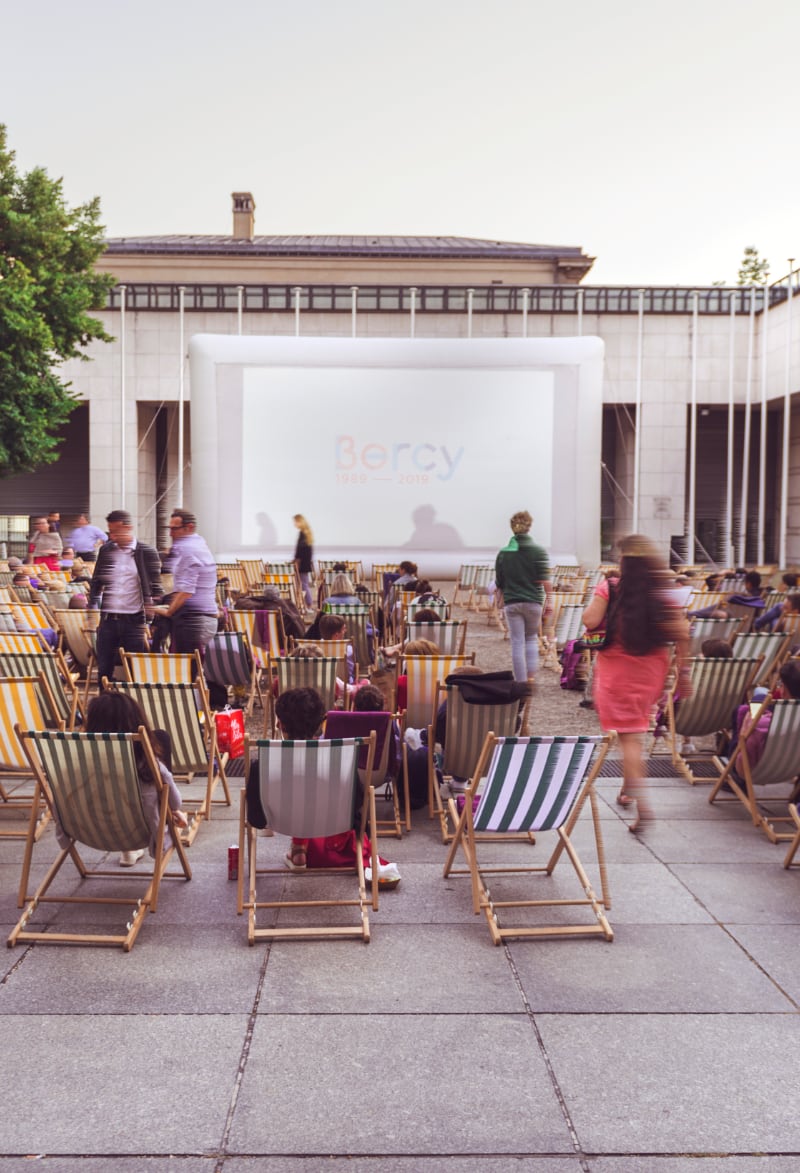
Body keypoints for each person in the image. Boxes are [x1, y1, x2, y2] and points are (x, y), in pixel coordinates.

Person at [583, 533, 690, 833]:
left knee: (628, 737)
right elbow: (682, 633)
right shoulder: (661, 590)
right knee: (635, 730)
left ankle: (643, 807)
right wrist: (683, 674)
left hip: (618, 671)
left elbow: (590, 621)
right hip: (651, 671)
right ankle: (628, 789)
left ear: (624, 561)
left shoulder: (611, 587)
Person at [246, 687, 400, 881]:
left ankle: (298, 847)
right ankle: (300, 847)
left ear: (281, 725)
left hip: (281, 824)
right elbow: (357, 807)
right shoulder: (340, 763)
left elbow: (256, 819)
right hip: (332, 824)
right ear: (320, 724)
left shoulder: (262, 766)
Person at [84, 690, 187, 866]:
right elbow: (176, 802)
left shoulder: (79, 764)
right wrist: (172, 811)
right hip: (140, 831)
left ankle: (128, 852)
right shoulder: (149, 765)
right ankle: (132, 846)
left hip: (91, 830)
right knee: (161, 737)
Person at [89, 509, 164, 688]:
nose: (113, 537)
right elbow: (96, 581)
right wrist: (92, 608)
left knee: (135, 670)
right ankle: (103, 708)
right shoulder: (106, 551)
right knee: (104, 670)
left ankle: (133, 709)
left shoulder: (146, 553)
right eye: (110, 533)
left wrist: (152, 622)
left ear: (128, 528)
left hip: (134, 621)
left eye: (116, 532)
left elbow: (156, 590)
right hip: (108, 620)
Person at [149, 509, 219, 660]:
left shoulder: (187, 549)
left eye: (175, 529)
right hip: (203, 618)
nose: (170, 534)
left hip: (194, 620)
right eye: (170, 528)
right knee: (194, 672)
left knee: (188, 672)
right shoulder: (199, 543)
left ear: (189, 527)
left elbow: (186, 591)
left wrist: (168, 611)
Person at [494, 510, 553, 684]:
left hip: (512, 602)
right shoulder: (538, 551)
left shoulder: (504, 553)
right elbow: (545, 580)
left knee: (517, 643)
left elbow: (499, 582)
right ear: (529, 527)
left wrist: (500, 600)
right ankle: (531, 677)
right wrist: (550, 600)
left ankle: (521, 683)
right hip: (533, 600)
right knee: (530, 640)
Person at [293, 514, 314, 610]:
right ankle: (307, 604)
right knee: (304, 584)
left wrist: (296, 560)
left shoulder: (302, 534)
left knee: (303, 585)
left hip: (301, 565)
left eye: (295, 521)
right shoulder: (307, 533)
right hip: (305, 564)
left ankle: (308, 604)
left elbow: (300, 551)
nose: (294, 524)